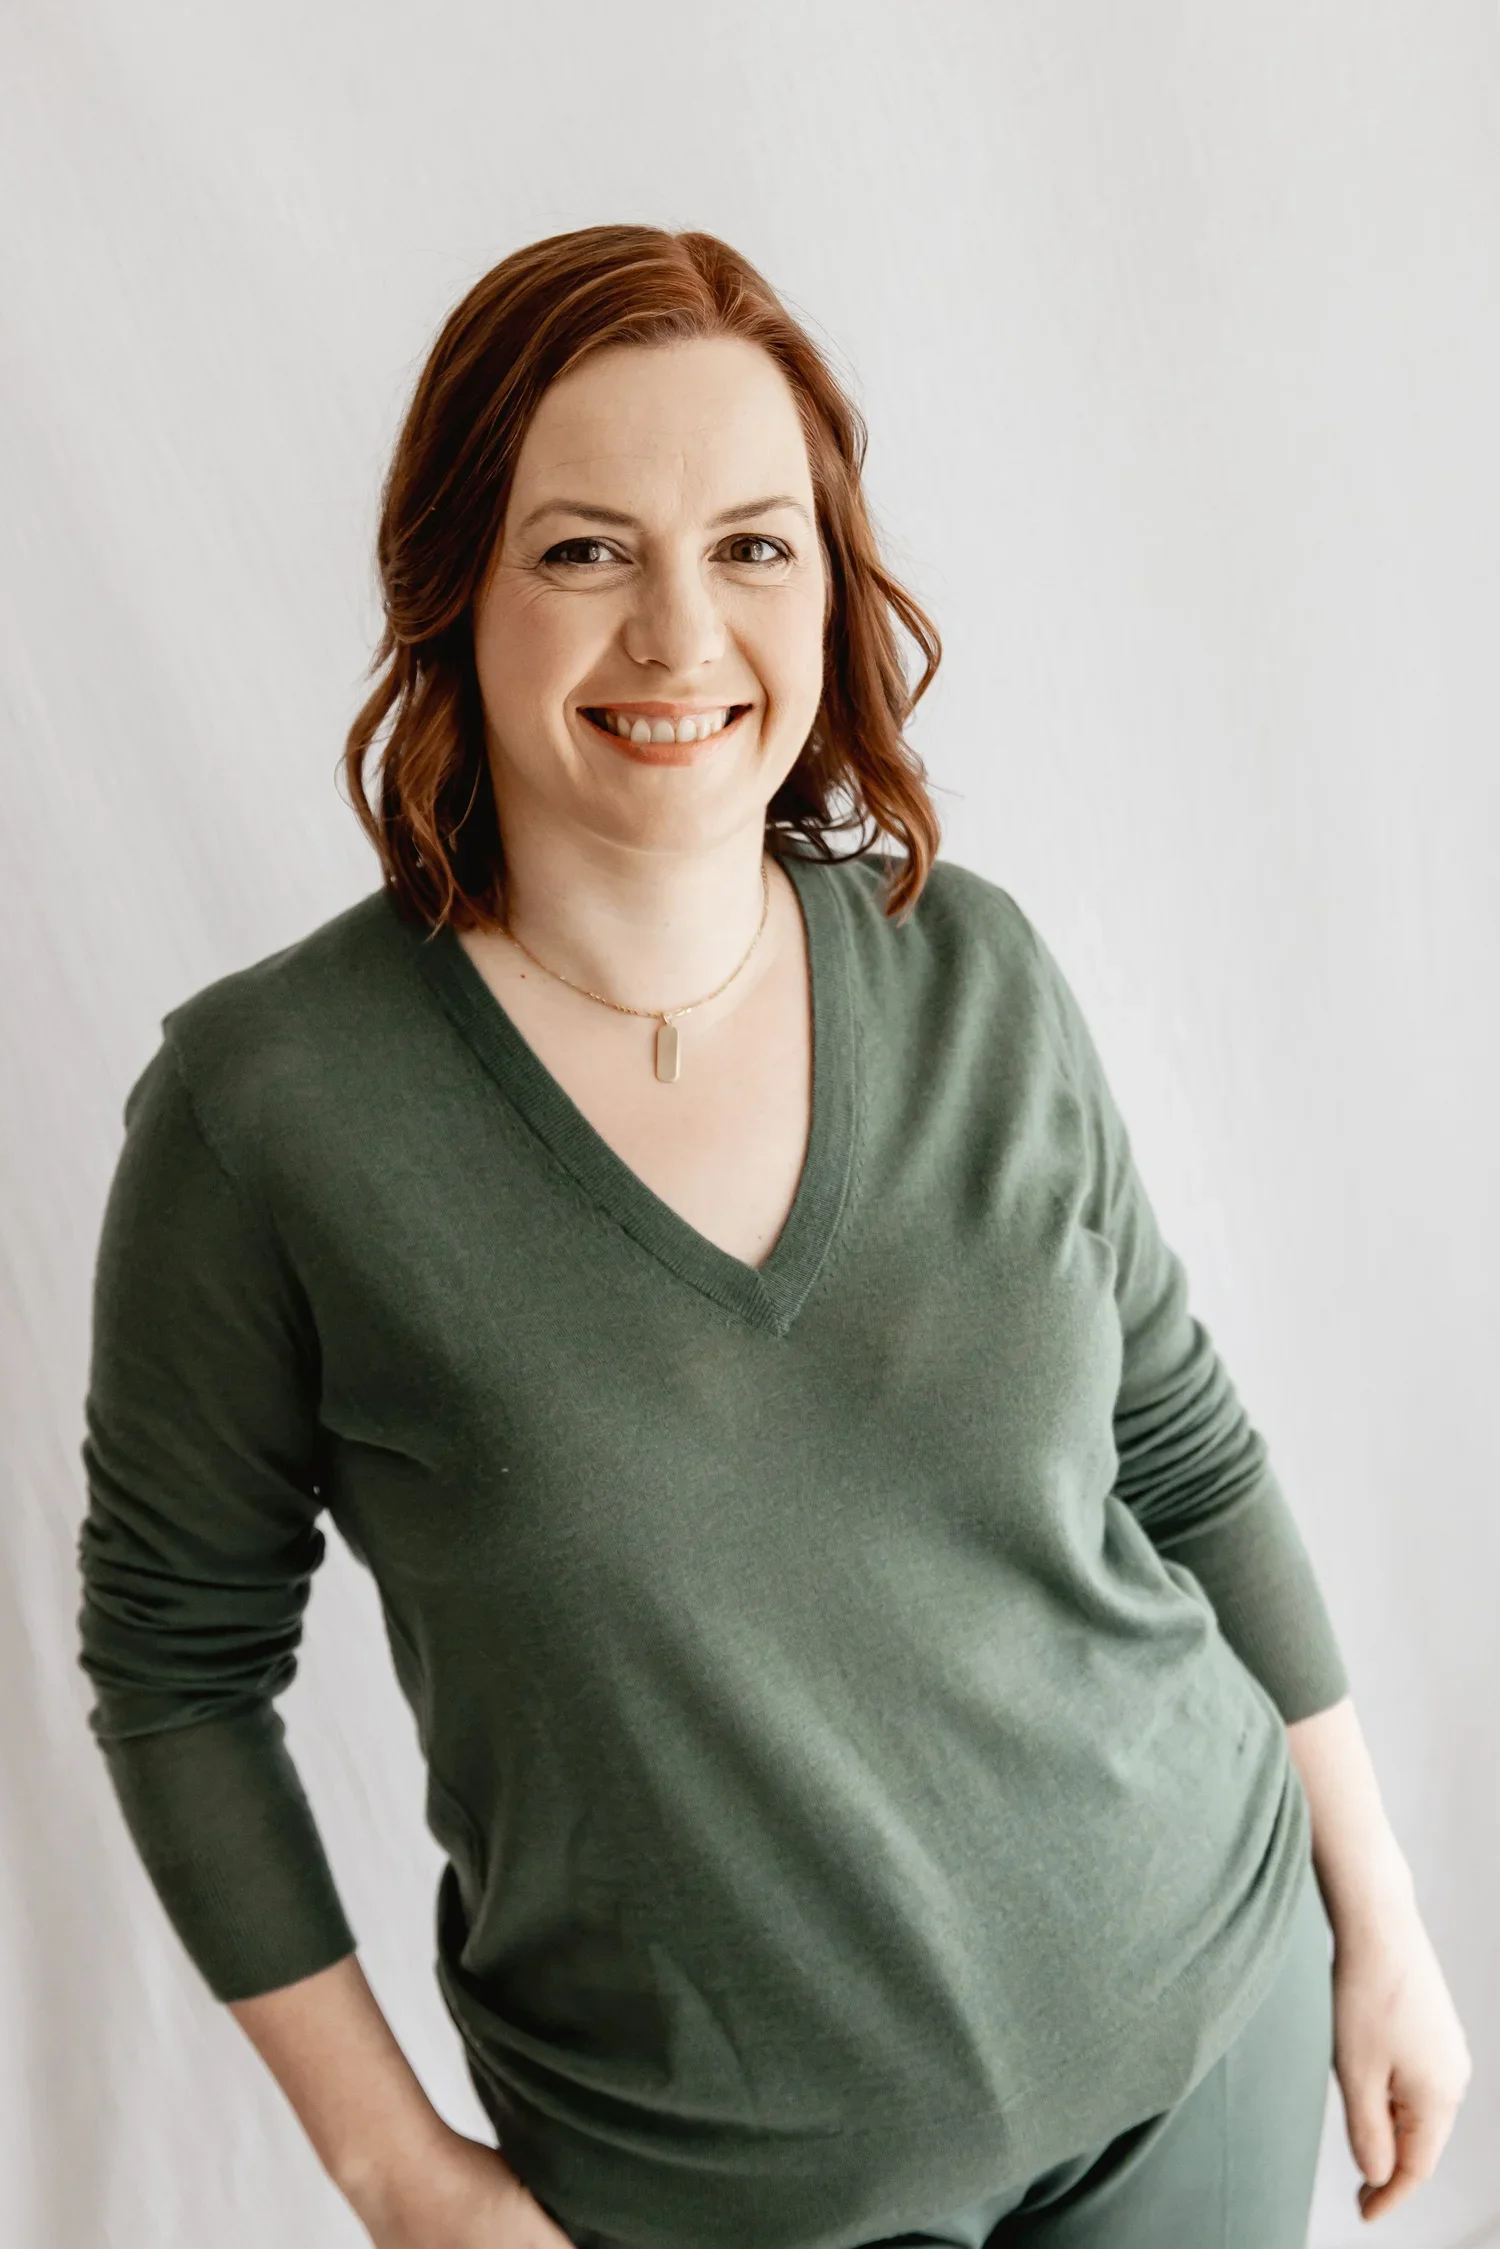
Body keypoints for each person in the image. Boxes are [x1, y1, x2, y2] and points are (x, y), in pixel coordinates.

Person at [75, 224, 1470, 2249]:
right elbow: (178, 1665)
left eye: (753, 544)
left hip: (1204, 2040)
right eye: (583, 548)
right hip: (710, 2198)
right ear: (454, 583)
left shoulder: (971, 970)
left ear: (828, 582)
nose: (678, 632)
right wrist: (402, 2175)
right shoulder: (272, 1114)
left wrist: (1382, 1913)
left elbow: (1181, 1443)